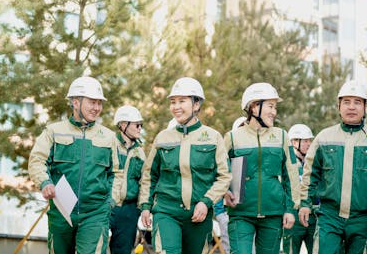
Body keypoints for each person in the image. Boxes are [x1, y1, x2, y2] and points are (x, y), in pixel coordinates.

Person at [139, 77, 232, 254]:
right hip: (166, 212)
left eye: (182, 101)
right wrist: (145, 205)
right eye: (173, 102)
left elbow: (224, 177)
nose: (176, 106)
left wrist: (206, 202)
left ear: (196, 104)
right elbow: (150, 175)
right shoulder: (162, 138)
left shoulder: (213, 137)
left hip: (199, 215)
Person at [28, 76, 117, 254]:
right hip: (61, 211)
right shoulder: (53, 131)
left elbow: (117, 172)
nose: (97, 108)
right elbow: (37, 159)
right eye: (92, 102)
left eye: (99, 103)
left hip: (95, 213)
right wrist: (45, 182)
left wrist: (110, 201)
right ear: (75, 102)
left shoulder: (108, 137)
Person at [299, 80, 367, 254]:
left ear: (364, 107)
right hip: (329, 217)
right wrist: (304, 203)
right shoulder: (324, 137)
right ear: (339, 106)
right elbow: (310, 173)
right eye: (346, 102)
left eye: (357, 102)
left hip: (362, 218)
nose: (351, 107)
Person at [223, 82, 300, 254]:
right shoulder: (232, 138)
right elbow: (218, 170)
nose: (274, 112)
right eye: (270, 106)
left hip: (273, 215)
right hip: (240, 214)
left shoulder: (281, 136)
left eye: (275, 107)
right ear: (254, 106)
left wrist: (290, 209)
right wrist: (223, 192)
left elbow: (292, 176)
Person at [110, 105, 146, 254]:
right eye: (137, 125)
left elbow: (145, 183)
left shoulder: (140, 153)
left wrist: (143, 207)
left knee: (123, 251)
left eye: (141, 125)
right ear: (123, 125)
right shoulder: (108, 144)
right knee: (93, 248)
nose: (140, 128)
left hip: (129, 211)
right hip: (105, 206)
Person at [213, 116, 248, 253]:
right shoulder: (226, 153)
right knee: (230, 248)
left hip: (247, 212)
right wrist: (220, 212)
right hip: (226, 212)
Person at [283, 124, 316, 254]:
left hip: (312, 217)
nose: (309, 144)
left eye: (310, 140)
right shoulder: (286, 164)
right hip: (293, 217)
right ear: (294, 142)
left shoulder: (313, 164)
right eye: (306, 141)